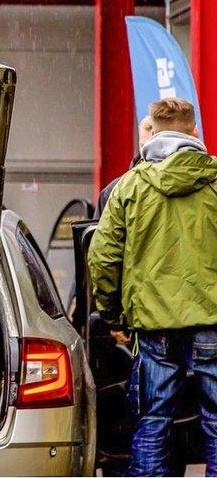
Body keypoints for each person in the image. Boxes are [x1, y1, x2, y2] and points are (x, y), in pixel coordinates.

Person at [88, 97, 217, 476]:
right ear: (195, 132)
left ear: (153, 134)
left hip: (153, 325)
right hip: (212, 321)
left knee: (154, 420)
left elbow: (103, 257)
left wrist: (112, 315)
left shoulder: (130, 186)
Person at [94, 116, 155, 218]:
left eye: (152, 146)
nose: (147, 152)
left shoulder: (116, 189)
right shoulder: (113, 190)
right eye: (143, 146)